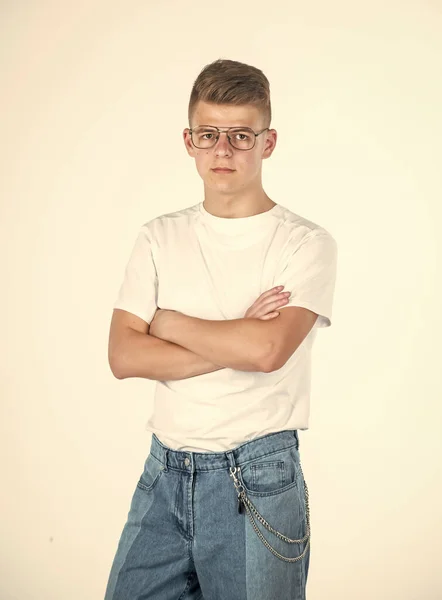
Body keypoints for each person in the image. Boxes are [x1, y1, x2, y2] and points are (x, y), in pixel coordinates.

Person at [104, 58, 338, 600]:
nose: (223, 150)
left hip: (256, 477)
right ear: (188, 141)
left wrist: (168, 323)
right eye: (208, 135)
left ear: (269, 142)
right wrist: (234, 334)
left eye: (240, 136)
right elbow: (123, 357)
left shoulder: (305, 243)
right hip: (163, 472)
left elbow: (267, 351)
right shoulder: (158, 237)